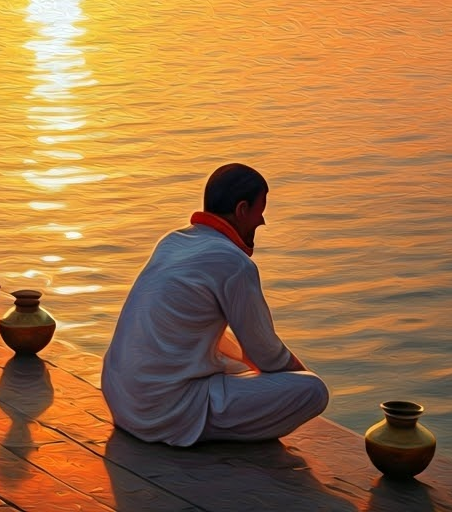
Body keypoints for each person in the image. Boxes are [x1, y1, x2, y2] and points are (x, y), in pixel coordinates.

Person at [102, 163, 328, 446]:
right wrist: (297, 378)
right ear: (242, 209)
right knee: (314, 391)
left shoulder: (172, 242)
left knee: (236, 359)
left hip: (122, 399)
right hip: (161, 414)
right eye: (261, 210)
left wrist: (251, 372)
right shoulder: (234, 263)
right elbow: (267, 355)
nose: (262, 221)